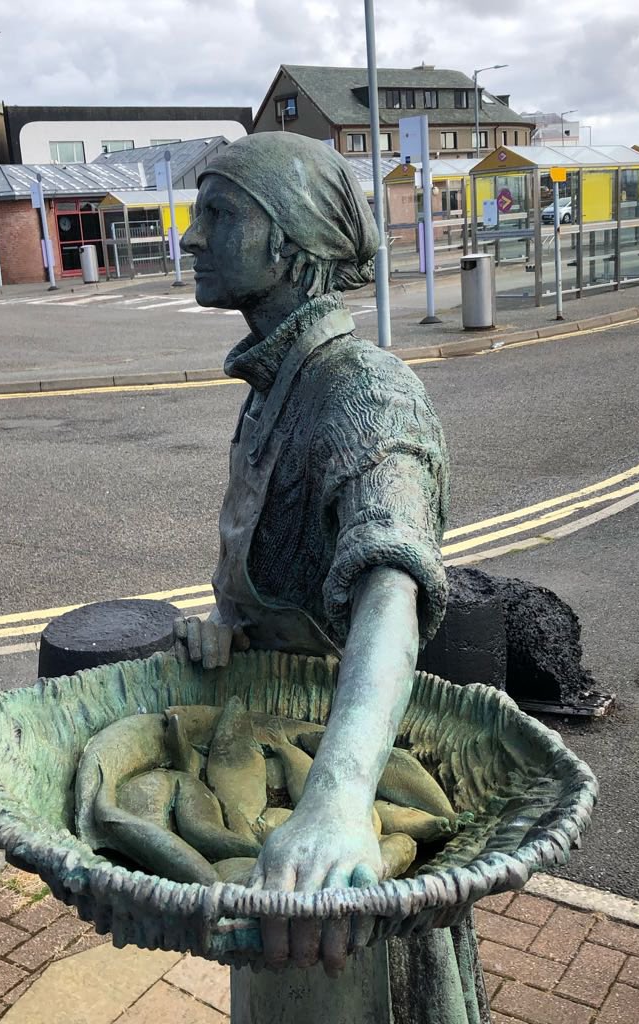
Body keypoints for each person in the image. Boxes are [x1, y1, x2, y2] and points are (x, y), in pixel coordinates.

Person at [177, 132, 449, 974]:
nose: (190, 236)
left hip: (339, 793)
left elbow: (390, 591)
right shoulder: (276, 385)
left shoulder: (364, 391)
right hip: (267, 746)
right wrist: (234, 623)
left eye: (219, 214)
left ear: (291, 245)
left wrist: (336, 799)